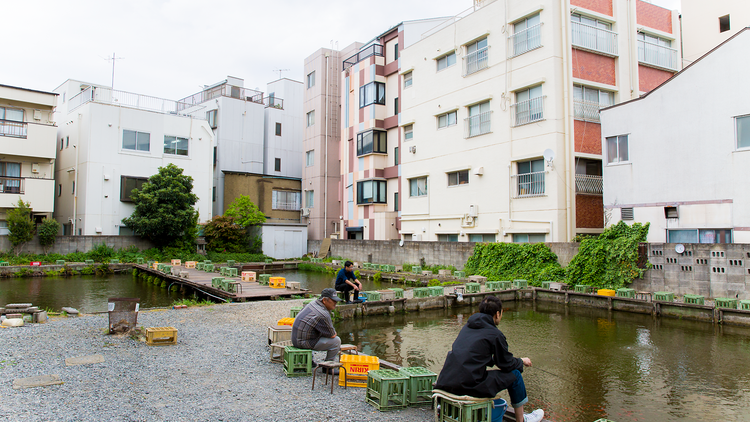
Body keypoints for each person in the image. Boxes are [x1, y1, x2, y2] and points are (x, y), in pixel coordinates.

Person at [434, 296, 545, 422]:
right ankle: (522, 420)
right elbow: (506, 364)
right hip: (468, 387)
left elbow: (474, 356)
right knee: (515, 375)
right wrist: (521, 361)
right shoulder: (495, 334)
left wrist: (498, 360)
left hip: (446, 383)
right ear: (497, 314)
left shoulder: (467, 327)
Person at [291, 288, 342, 372]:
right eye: (333, 301)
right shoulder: (323, 314)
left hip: (295, 339)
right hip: (302, 342)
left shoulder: (313, 303)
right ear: (324, 300)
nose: (335, 303)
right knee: (336, 341)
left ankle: (309, 360)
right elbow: (332, 334)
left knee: (315, 331)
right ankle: (328, 367)